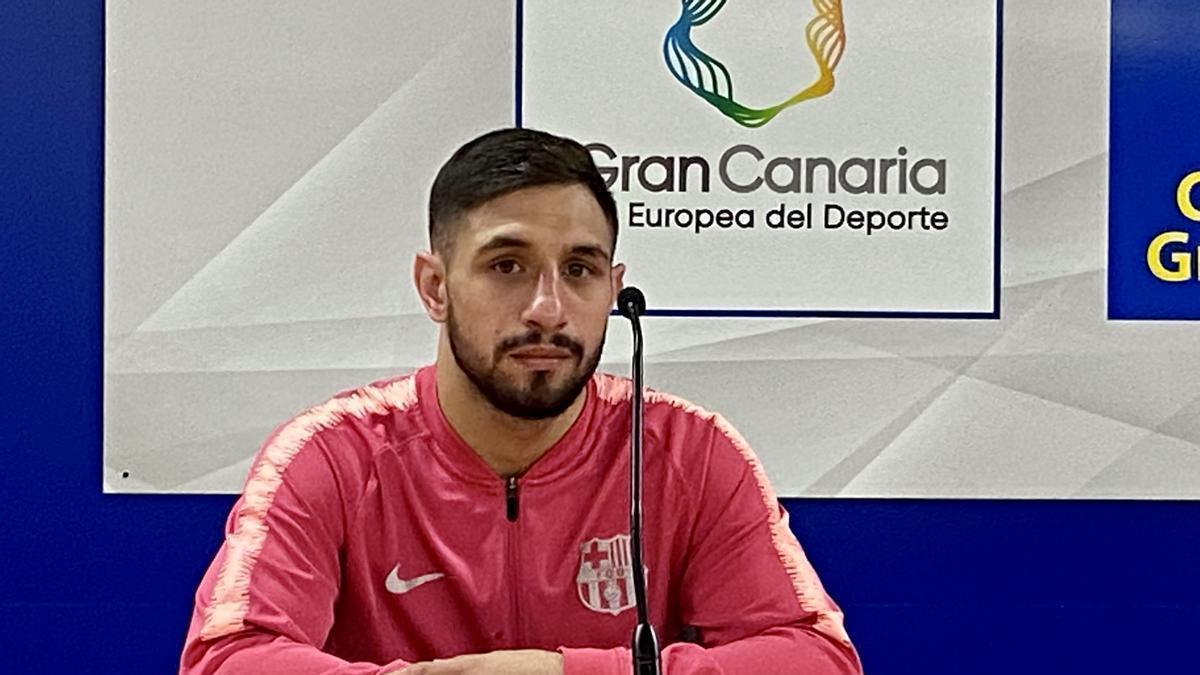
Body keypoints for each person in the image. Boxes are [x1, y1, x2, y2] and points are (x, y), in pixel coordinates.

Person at [179, 128, 862, 674]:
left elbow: (817, 659)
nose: (548, 307)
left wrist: (565, 673)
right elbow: (227, 657)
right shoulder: (332, 454)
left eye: (580, 270)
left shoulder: (690, 451)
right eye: (507, 265)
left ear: (614, 285)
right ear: (435, 286)